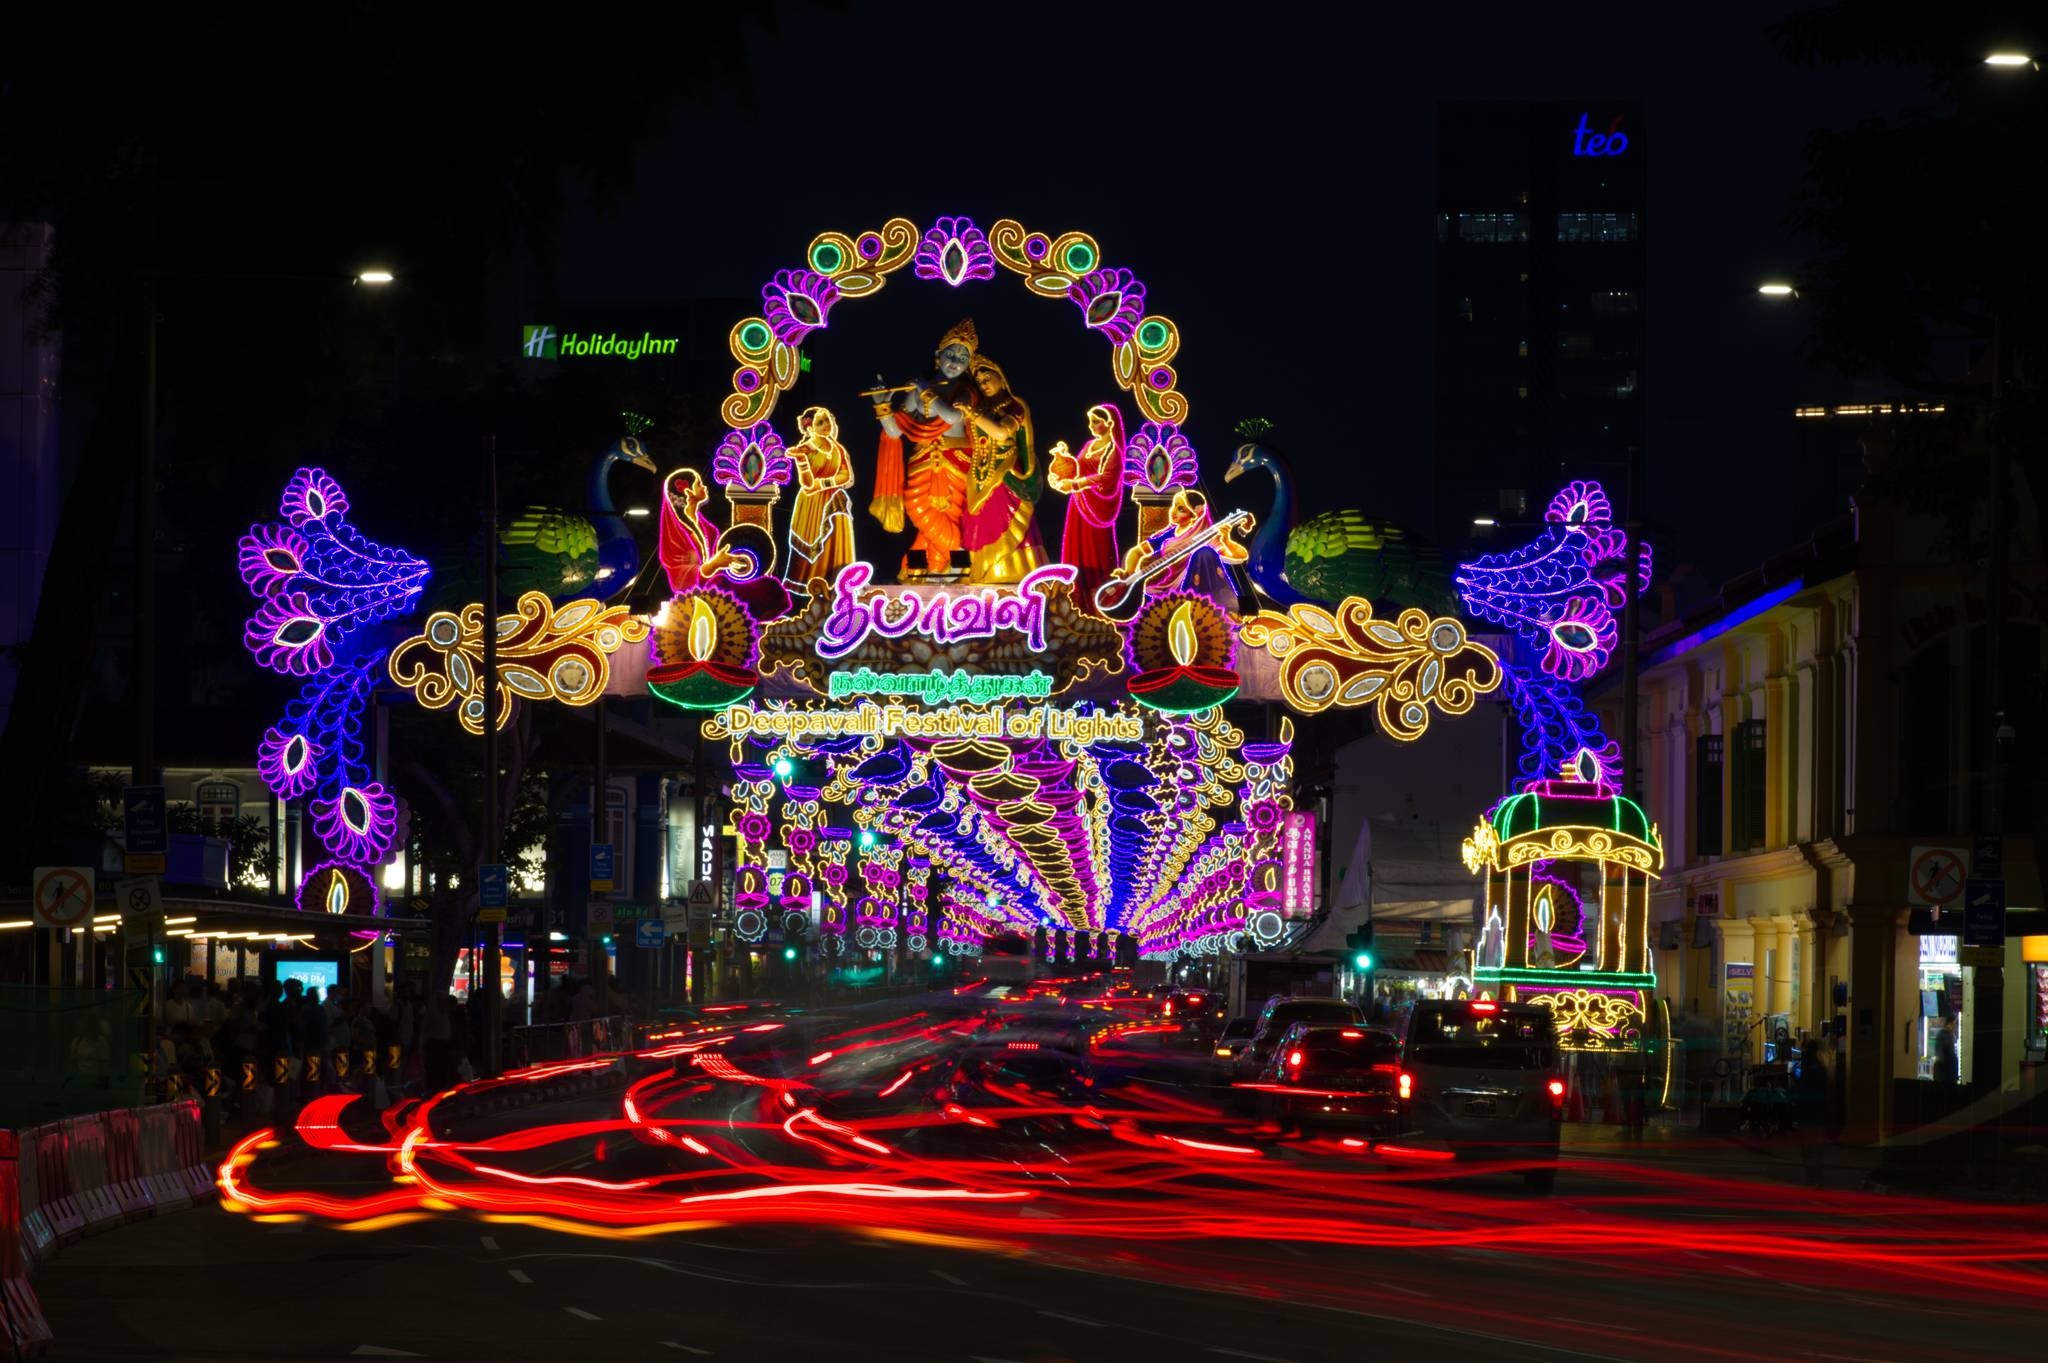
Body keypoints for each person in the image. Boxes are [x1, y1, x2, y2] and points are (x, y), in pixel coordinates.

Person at [868, 318, 980, 578]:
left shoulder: (966, 391)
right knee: (917, 508)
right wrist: (881, 406)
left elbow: (952, 417)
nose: (955, 361)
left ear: (969, 365)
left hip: (955, 459)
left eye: (963, 358)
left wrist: (928, 392)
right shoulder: (916, 390)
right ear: (937, 356)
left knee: (947, 514)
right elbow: (895, 431)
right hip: (921, 459)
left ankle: (930, 566)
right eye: (950, 354)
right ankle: (957, 557)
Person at [955, 355, 1048, 584]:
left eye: (988, 378)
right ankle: (980, 577)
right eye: (980, 382)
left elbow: (1001, 433)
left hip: (1006, 475)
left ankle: (1016, 576)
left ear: (1001, 378)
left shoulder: (1014, 405)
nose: (984, 384)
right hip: (978, 477)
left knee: (1005, 522)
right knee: (976, 527)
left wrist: (971, 414)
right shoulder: (981, 408)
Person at [656, 466, 793, 620]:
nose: (704, 487)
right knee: (737, 592)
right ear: (688, 492)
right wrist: (713, 565)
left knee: (770, 586)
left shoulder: (707, 528)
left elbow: (721, 556)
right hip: (701, 594)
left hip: (720, 582)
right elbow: (678, 573)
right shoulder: (676, 532)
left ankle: (763, 624)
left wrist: (733, 562)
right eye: (699, 485)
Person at [1047, 404, 1125, 606]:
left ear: (1110, 423)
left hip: (1097, 509)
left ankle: (1100, 601)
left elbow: (1106, 479)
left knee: (1096, 551)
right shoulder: (1090, 445)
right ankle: (1074, 596)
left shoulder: (1114, 451)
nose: (1091, 425)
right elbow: (1077, 468)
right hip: (1079, 505)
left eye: (1096, 421)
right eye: (1090, 421)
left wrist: (1074, 484)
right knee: (1076, 548)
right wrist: (1062, 459)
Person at [784, 405, 857, 587]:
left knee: (837, 538)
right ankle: (805, 586)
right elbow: (807, 483)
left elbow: (846, 475)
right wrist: (801, 462)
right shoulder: (804, 450)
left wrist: (823, 483)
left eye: (828, 421)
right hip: (812, 504)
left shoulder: (837, 449)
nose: (827, 425)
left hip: (833, 501)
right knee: (813, 542)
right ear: (809, 428)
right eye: (820, 422)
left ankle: (839, 584)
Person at [1792, 1040, 1831, 1188]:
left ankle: (1812, 1177)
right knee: (1815, 1148)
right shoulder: (1819, 1068)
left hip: (1808, 1113)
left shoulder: (1807, 1068)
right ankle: (1815, 1178)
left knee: (1808, 1148)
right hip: (1817, 1113)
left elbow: (1801, 1088)